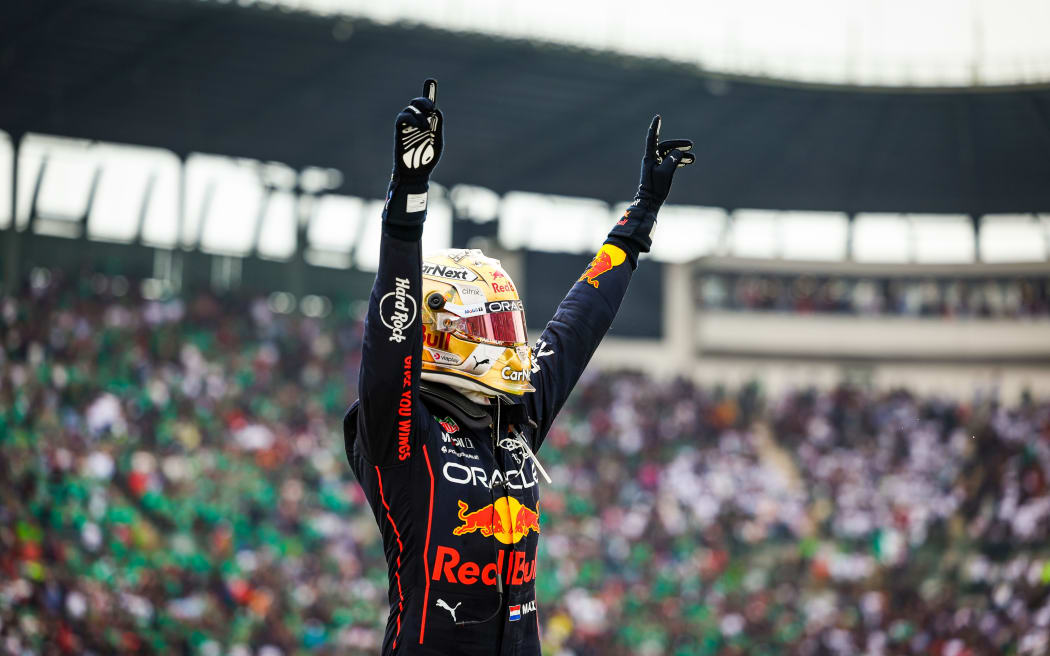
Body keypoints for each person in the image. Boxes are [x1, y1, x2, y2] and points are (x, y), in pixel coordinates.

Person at [343, 79, 693, 655]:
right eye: (490, 326)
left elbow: (578, 324)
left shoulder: (516, 416)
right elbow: (389, 342)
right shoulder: (400, 432)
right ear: (442, 335)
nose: (508, 343)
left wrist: (640, 217)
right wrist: (407, 202)